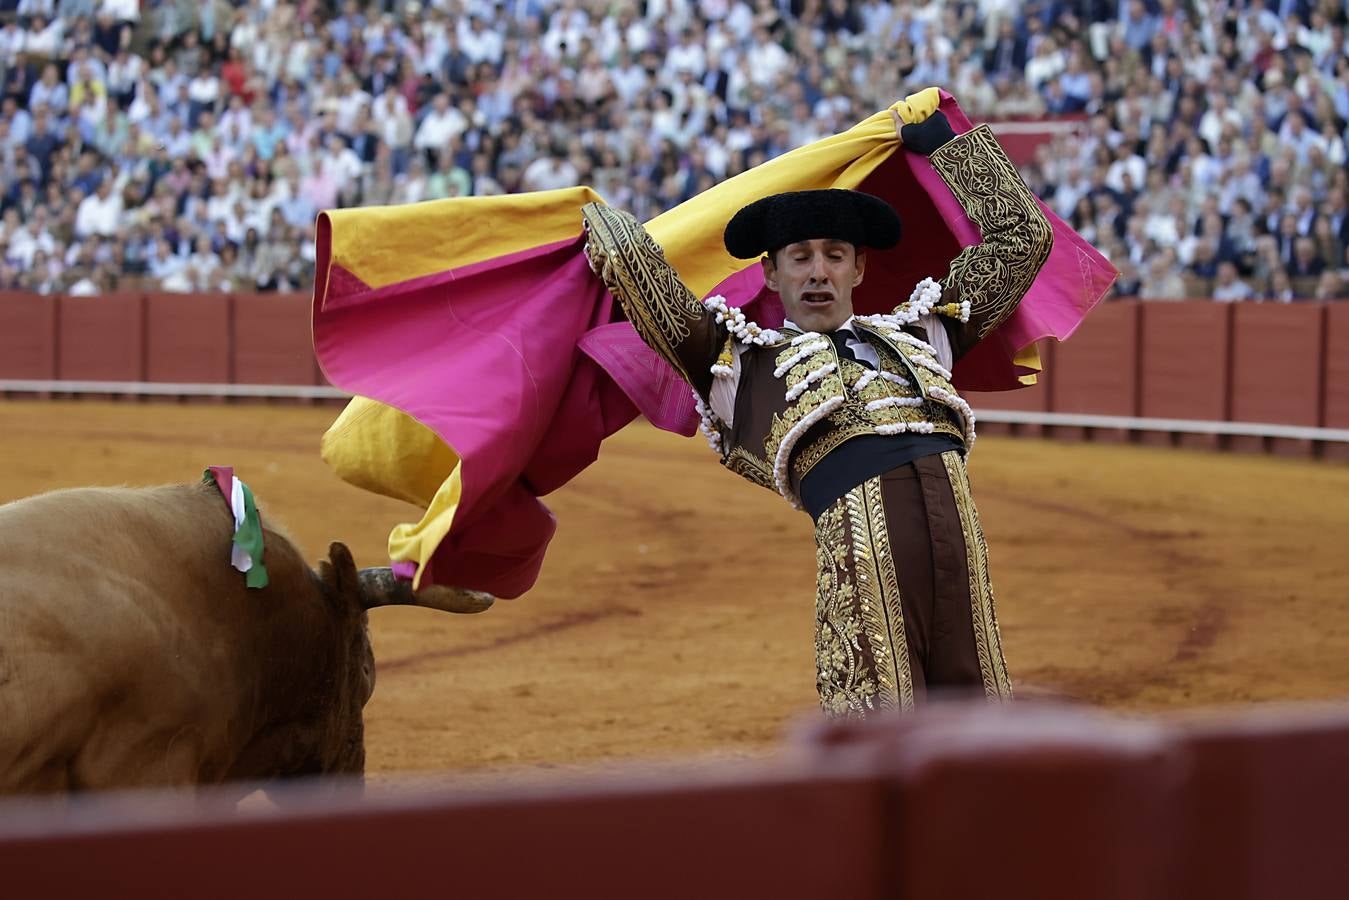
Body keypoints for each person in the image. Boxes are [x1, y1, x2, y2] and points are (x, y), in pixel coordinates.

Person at [581, 107, 1053, 715]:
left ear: (859, 268)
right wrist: (590, 221)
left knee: (983, 744)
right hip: (862, 583)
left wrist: (945, 144)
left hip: (962, 566)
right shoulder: (738, 369)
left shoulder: (923, 335)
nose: (818, 272)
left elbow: (1022, 240)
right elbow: (638, 270)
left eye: (835, 255)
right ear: (770, 275)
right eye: (798, 257)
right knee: (878, 751)